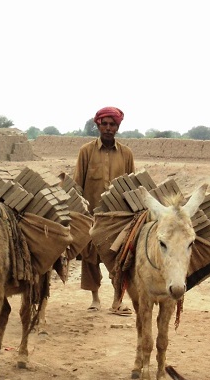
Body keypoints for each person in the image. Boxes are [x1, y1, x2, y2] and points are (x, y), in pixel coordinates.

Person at [74, 106, 135, 312]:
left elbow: (132, 185)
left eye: (112, 124)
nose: (108, 128)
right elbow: (77, 184)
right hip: (92, 215)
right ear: (98, 125)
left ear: (118, 127)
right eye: (105, 124)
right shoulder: (86, 152)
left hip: (117, 217)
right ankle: (95, 299)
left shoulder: (126, 154)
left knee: (119, 259)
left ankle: (117, 300)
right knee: (90, 258)